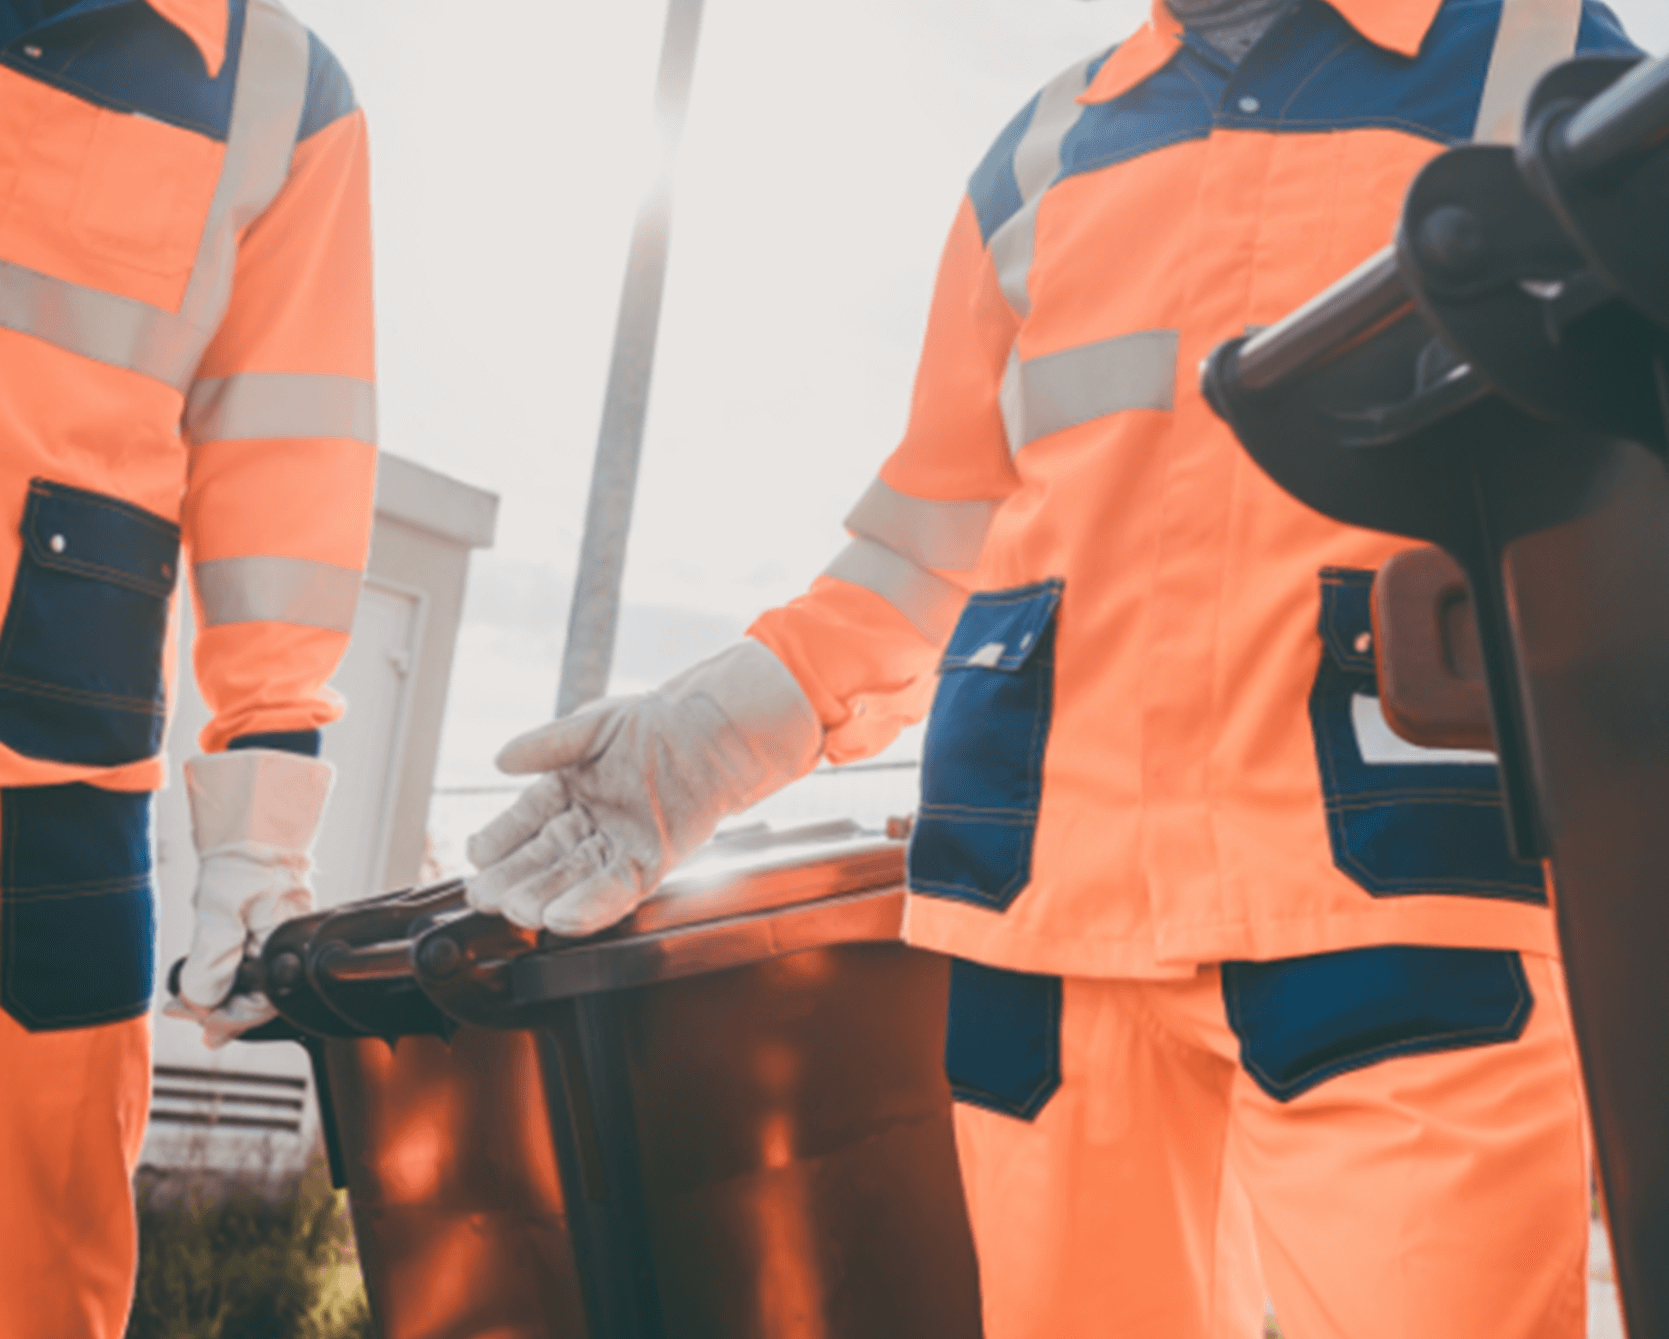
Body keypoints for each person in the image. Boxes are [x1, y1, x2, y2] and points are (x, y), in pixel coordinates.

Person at [465, 0, 1643, 1335]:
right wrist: (712, 736)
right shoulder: (1039, 156)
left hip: (1400, 912)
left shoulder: (1546, 69)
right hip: (1049, 938)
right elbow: (928, 545)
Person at [0, 0, 376, 1334]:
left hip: (42, 805)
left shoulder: (280, 98)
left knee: (18, 1297)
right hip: (45, 755)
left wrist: (260, 840)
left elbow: (287, 466)